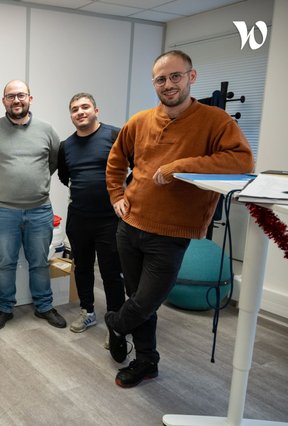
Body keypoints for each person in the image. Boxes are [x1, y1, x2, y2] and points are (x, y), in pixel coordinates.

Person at [104, 50, 254, 388]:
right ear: (154, 83)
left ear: (191, 77)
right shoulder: (140, 121)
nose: (168, 84)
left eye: (176, 76)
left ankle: (116, 324)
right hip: (130, 225)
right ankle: (146, 362)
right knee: (139, 299)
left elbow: (242, 161)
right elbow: (115, 160)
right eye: (161, 79)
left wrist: (180, 166)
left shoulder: (216, 121)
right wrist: (116, 195)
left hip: (170, 232)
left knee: (145, 301)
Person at [0, 80, 67, 330]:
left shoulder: (47, 130)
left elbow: (54, 162)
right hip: (3, 211)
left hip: (40, 210)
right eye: (11, 96)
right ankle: (5, 308)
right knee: (4, 263)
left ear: (30, 99)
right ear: (3, 101)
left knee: (40, 262)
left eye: (21, 95)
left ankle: (44, 306)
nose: (16, 100)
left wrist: (33, 181)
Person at [57, 93, 125, 337]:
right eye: (75, 109)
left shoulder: (115, 135)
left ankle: (116, 322)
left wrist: (124, 194)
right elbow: (64, 176)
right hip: (79, 218)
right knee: (83, 268)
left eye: (85, 107)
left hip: (110, 219)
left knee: (111, 272)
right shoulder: (66, 146)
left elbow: (137, 167)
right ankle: (87, 311)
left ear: (96, 110)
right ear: (71, 116)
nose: (80, 112)